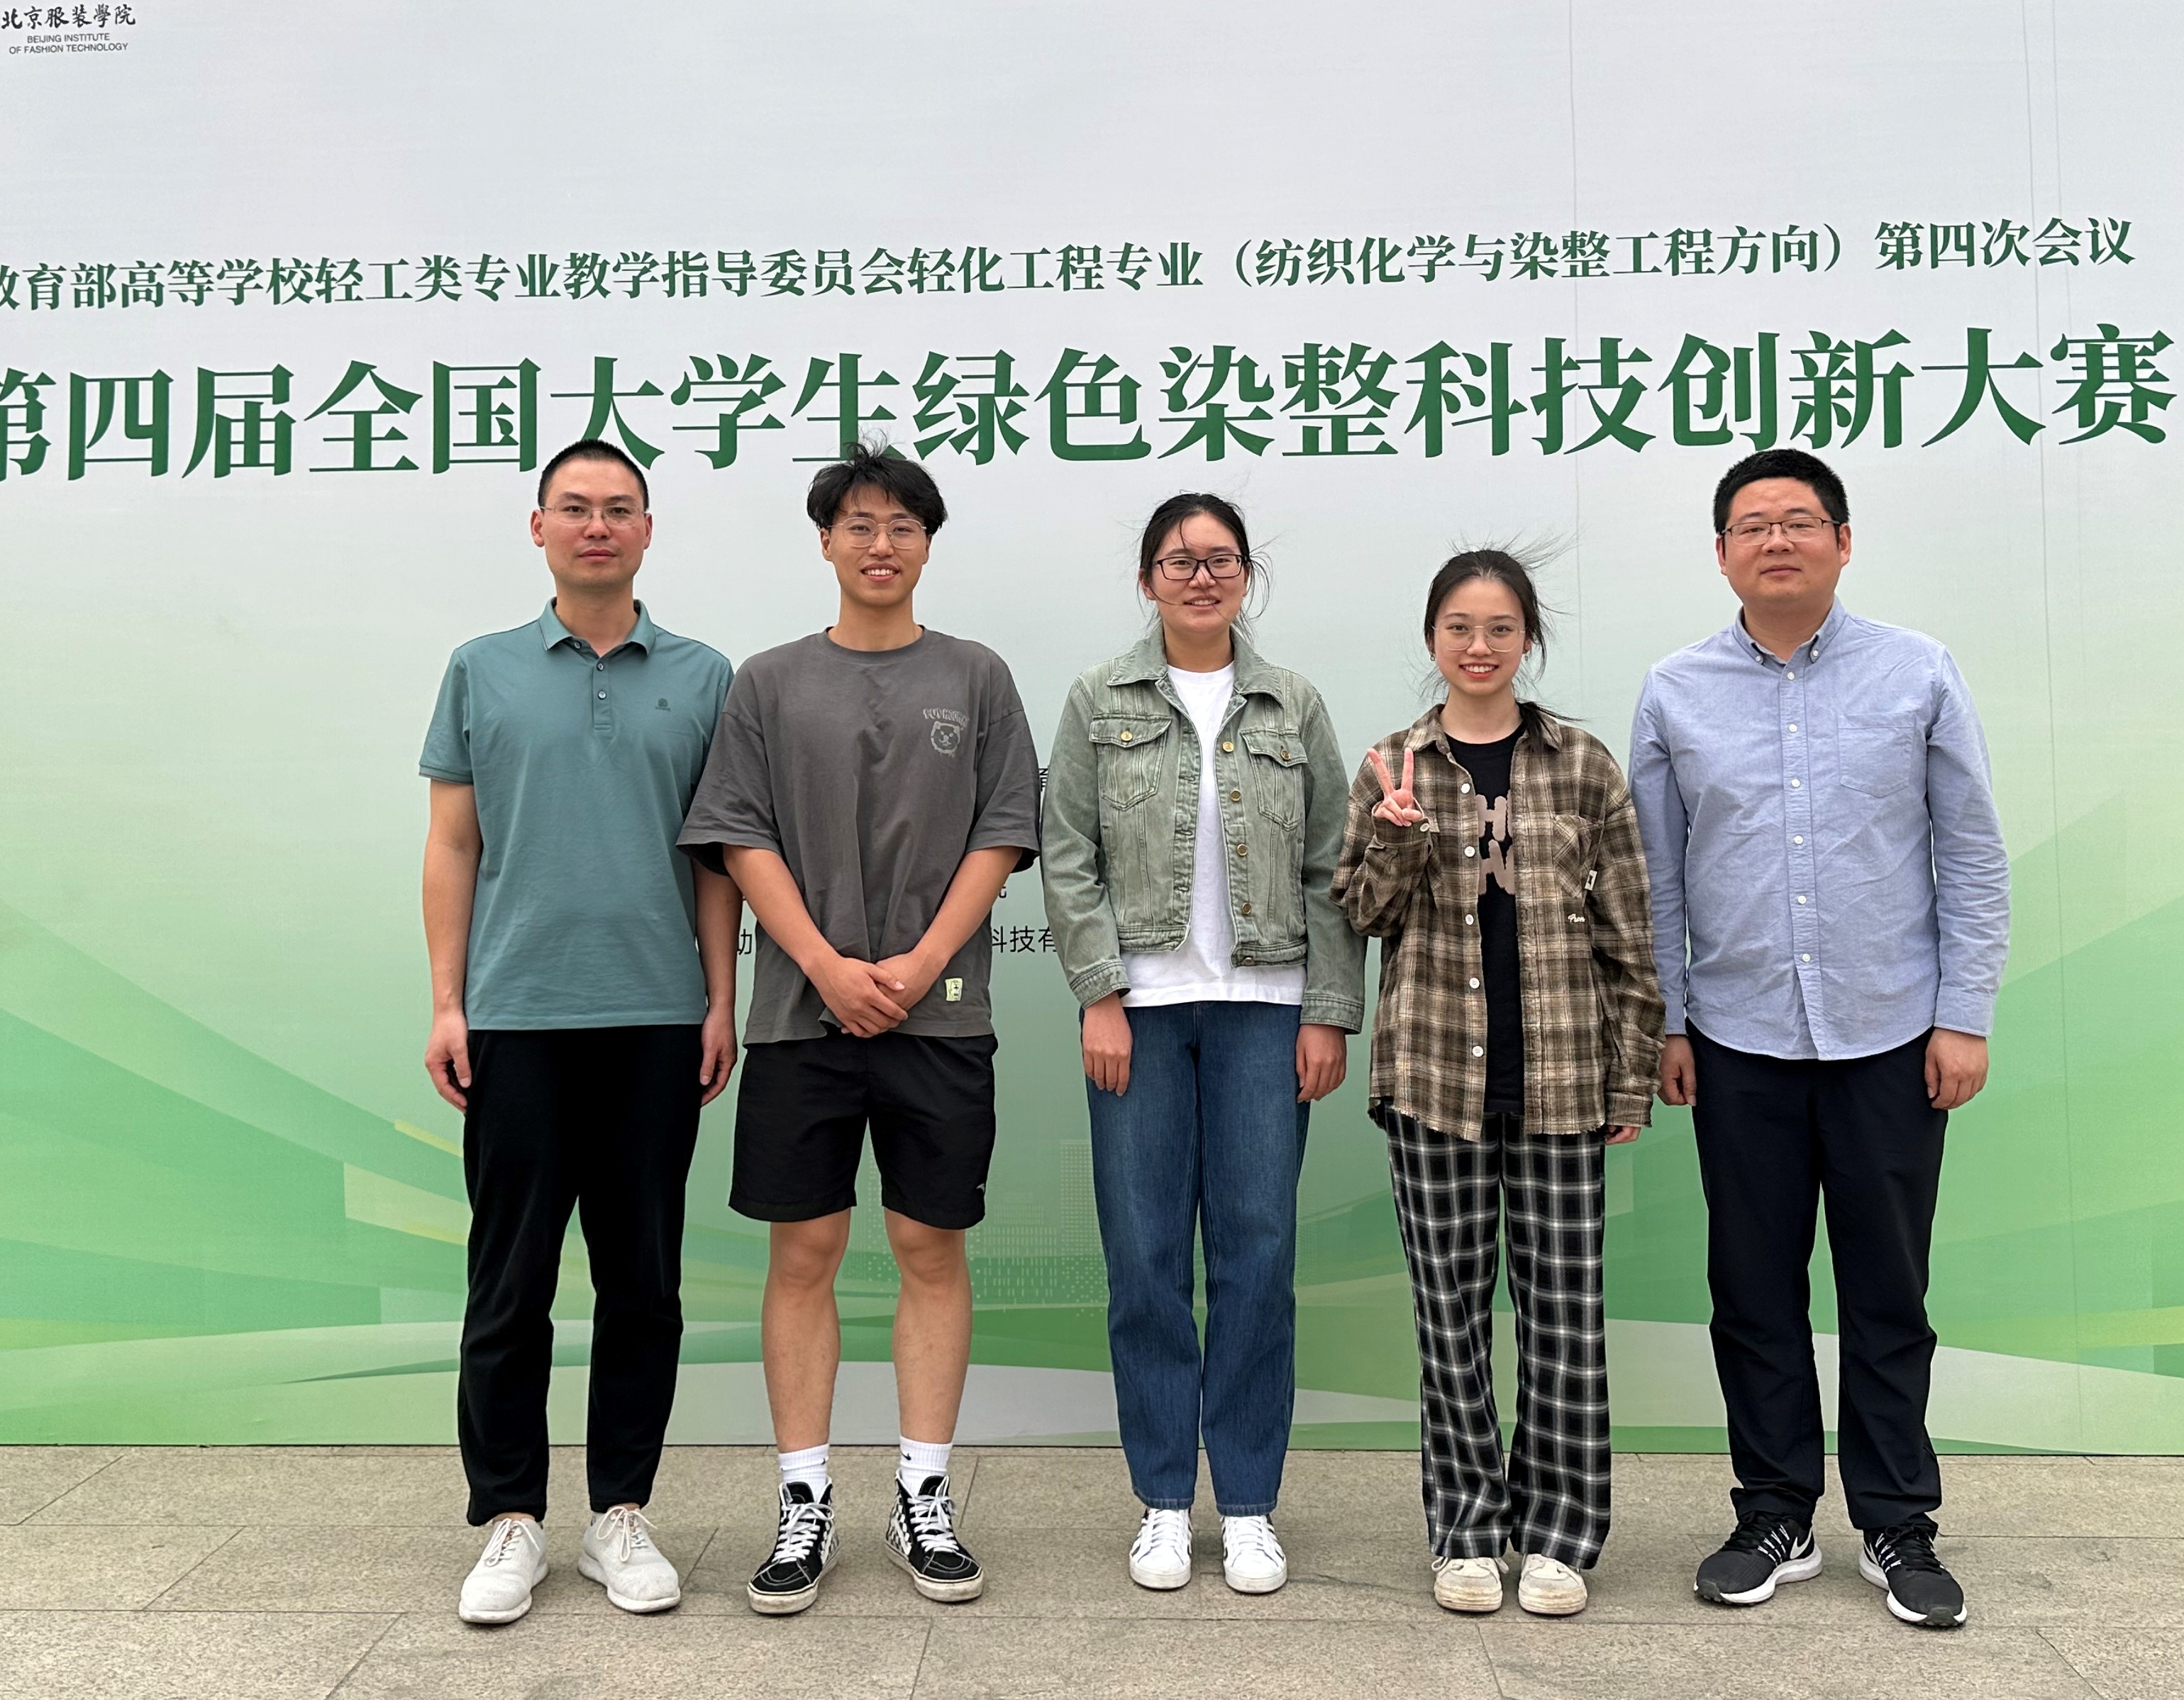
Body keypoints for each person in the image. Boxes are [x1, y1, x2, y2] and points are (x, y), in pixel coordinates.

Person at [1630, 448, 2007, 1632]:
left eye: (1800, 521)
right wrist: (1668, 1019)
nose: (1777, 541)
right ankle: (1775, 1513)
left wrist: (1964, 1014)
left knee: (1889, 1291)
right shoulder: (1675, 689)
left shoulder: (1918, 671)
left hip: (1892, 1034)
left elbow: (1972, 854)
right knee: (1752, 1290)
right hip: (1735, 1038)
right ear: (1722, 553)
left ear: (1844, 542)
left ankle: (1897, 1522)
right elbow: (1655, 880)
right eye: (1753, 525)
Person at [678, 442, 1041, 1616]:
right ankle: (803, 1502)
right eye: (860, 525)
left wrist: (922, 965)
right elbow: (739, 837)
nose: (881, 545)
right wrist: (827, 968)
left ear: (928, 543)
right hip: (800, 1017)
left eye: (903, 526)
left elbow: (1003, 832)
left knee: (931, 1247)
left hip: (943, 1019)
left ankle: (923, 1495)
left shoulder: (977, 676)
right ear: (826, 540)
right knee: (805, 1253)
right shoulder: (768, 683)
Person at [420, 439, 742, 1628]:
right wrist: (448, 1001)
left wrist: (720, 1001)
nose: (596, 525)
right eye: (575, 507)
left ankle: (621, 1515)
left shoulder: (703, 676)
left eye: (618, 508)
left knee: (642, 1282)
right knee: (509, 1281)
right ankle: (510, 1515)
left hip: (657, 1016)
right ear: (539, 526)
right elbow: (453, 844)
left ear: (648, 530)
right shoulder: (481, 669)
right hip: (518, 1014)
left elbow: (718, 860)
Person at [1040, 492, 1362, 1596]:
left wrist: (1328, 1010)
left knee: (1258, 1256)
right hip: (1140, 1010)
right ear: (1148, 580)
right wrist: (1098, 994)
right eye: (1179, 561)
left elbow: (1331, 861)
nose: (1201, 577)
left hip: (1266, 1010)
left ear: (1246, 577)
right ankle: (1167, 1501)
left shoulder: (1291, 702)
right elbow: (1067, 852)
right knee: (1143, 1259)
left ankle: (1253, 1504)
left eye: (1221, 559)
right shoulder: (1099, 698)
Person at [1334, 550, 1663, 1620]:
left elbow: (1629, 932)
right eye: (1459, 629)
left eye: (1501, 629)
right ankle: (1468, 1531)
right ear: (1432, 639)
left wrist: (1631, 1079)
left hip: (1564, 1080)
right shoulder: (1392, 765)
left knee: (1565, 1320)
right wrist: (1395, 842)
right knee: (1451, 1322)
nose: (1479, 648)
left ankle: (1561, 1535)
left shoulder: (1584, 765)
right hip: (1433, 1080)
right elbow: (1362, 916)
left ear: (1529, 639)